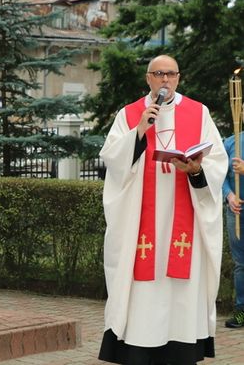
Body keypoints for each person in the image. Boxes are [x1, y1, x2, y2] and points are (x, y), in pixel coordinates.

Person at [98, 55, 227, 364]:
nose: (165, 80)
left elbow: (217, 163)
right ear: (148, 79)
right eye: (159, 74)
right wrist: (139, 132)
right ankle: (139, 350)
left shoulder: (199, 113)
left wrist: (196, 169)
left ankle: (182, 350)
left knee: (181, 292)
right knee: (144, 290)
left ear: (179, 78)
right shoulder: (130, 115)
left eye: (170, 74)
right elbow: (112, 162)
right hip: (142, 226)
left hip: (185, 226)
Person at [222, 133, 244, 328]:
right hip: (236, 211)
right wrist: (229, 196)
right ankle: (241, 311)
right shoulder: (230, 142)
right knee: (240, 264)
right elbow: (220, 175)